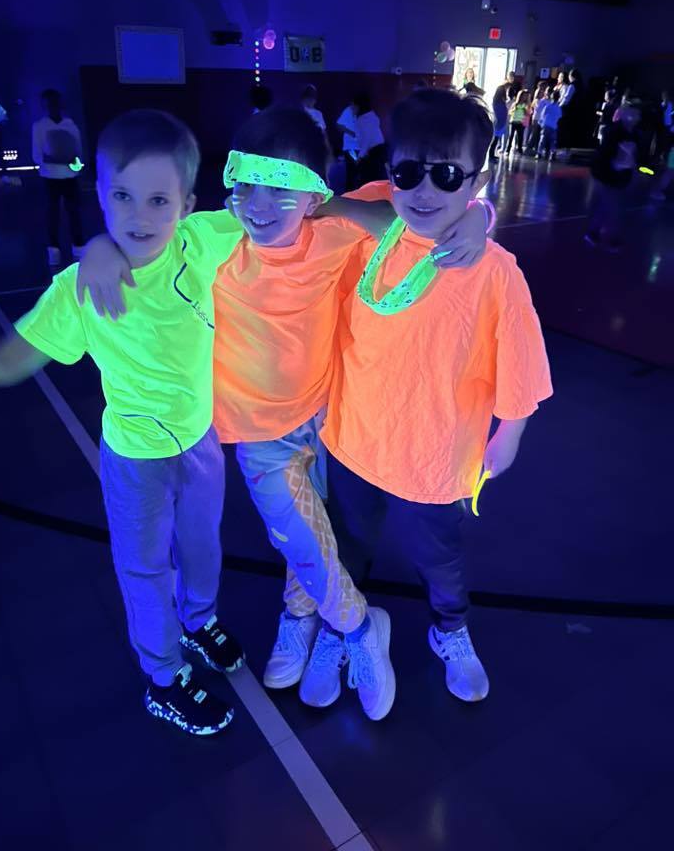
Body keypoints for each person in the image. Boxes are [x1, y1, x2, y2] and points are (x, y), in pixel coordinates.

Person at [76, 105, 491, 722]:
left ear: (312, 195)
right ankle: (356, 627)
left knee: (316, 535)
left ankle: (302, 616)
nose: (260, 205)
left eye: (281, 190)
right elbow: (146, 230)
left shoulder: (333, 231)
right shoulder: (213, 242)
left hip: (328, 420)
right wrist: (99, 247)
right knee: (295, 530)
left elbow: (410, 214)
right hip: (260, 437)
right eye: (246, 188)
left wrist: (479, 216)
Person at [0, 109, 247, 737]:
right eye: (121, 197)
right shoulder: (79, 291)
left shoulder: (202, 240)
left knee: (201, 547)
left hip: (200, 441)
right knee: (145, 571)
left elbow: (282, 207)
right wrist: (97, 249)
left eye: (157, 200)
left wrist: (466, 212)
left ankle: (198, 621)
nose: (139, 216)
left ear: (187, 204)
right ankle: (164, 678)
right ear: (100, 195)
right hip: (136, 458)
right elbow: (7, 362)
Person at [320, 89, 553, 705]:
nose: (425, 191)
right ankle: (343, 623)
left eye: (447, 176)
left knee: (439, 555)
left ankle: (450, 630)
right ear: (387, 168)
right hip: (355, 435)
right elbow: (321, 217)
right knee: (348, 541)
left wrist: (512, 431)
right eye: (407, 172)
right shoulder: (366, 239)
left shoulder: (493, 270)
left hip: (436, 450)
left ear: (476, 180)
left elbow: (521, 355)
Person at [32, 89, 85, 268]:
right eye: (48, 104)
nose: (52, 107)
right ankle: (53, 250)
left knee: (74, 213)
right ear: (44, 106)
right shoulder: (39, 126)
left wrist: (74, 163)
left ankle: (78, 248)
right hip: (50, 177)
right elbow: (37, 155)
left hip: (70, 176)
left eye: (55, 103)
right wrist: (58, 158)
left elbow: (78, 153)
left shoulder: (70, 125)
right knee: (52, 214)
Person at [585, 100, 645, 250]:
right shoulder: (614, 131)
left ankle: (593, 233)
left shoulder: (635, 134)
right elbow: (604, 155)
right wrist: (614, 165)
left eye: (637, 114)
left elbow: (635, 156)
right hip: (607, 174)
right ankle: (612, 237)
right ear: (624, 114)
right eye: (632, 113)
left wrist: (635, 169)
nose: (635, 117)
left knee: (609, 205)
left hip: (622, 175)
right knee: (613, 206)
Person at [354, 92, 386, 185]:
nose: (352, 108)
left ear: (359, 106)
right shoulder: (371, 116)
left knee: (370, 179)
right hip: (378, 151)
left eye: (353, 105)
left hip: (375, 152)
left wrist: (360, 157)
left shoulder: (365, 119)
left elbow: (366, 140)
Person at [337, 97, 360, 191]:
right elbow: (339, 125)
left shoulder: (363, 112)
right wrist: (352, 133)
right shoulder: (347, 111)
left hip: (361, 147)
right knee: (351, 173)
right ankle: (349, 194)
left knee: (359, 172)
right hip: (350, 147)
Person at [537, 88, 562, 161]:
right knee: (553, 141)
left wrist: (540, 122)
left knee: (542, 139)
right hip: (553, 126)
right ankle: (552, 154)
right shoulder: (558, 108)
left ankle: (539, 153)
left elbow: (542, 114)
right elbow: (559, 116)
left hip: (545, 124)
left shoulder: (548, 106)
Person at [506, 89, 531, 155]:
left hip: (521, 122)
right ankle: (507, 149)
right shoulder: (515, 103)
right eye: (523, 96)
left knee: (520, 136)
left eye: (526, 96)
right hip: (513, 121)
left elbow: (528, 113)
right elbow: (510, 112)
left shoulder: (526, 105)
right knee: (511, 136)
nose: (524, 97)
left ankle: (520, 149)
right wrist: (514, 110)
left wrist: (525, 111)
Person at [526, 81, 548, 154]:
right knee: (535, 133)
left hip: (537, 117)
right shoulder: (539, 96)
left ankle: (533, 147)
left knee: (536, 133)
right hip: (537, 117)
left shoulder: (538, 95)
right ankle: (529, 147)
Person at [489, 83, 509, 160]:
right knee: (495, 141)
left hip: (500, 122)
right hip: (499, 123)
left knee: (495, 140)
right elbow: (500, 113)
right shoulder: (499, 102)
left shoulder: (497, 101)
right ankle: (491, 156)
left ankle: (492, 155)